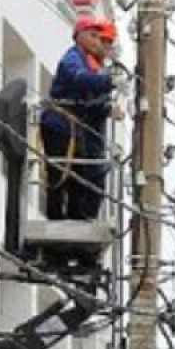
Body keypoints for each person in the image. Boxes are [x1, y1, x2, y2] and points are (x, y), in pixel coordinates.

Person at [40, 15, 117, 221]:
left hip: (75, 125)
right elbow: (79, 78)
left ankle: (76, 215)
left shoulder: (90, 64)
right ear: (79, 36)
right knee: (59, 170)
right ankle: (56, 216)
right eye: (92, 36)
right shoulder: (72, 58)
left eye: (97, 37)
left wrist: (107, 105)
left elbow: (93, 99)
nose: (95, 41)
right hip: (59, 121)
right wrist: (108, 82)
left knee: (80, 170)